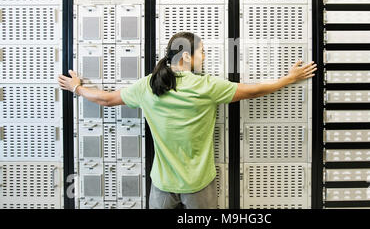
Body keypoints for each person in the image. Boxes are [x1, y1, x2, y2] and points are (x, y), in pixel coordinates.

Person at [58, 32, 317, 209]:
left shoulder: (148, 86)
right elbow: (254, 91)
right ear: (185, 57)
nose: (204, 57)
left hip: (161, 184)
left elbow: (105, 100)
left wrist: (77, 88)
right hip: (198, 184)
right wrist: (288, 79)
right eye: (202, 52)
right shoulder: (207, 86)